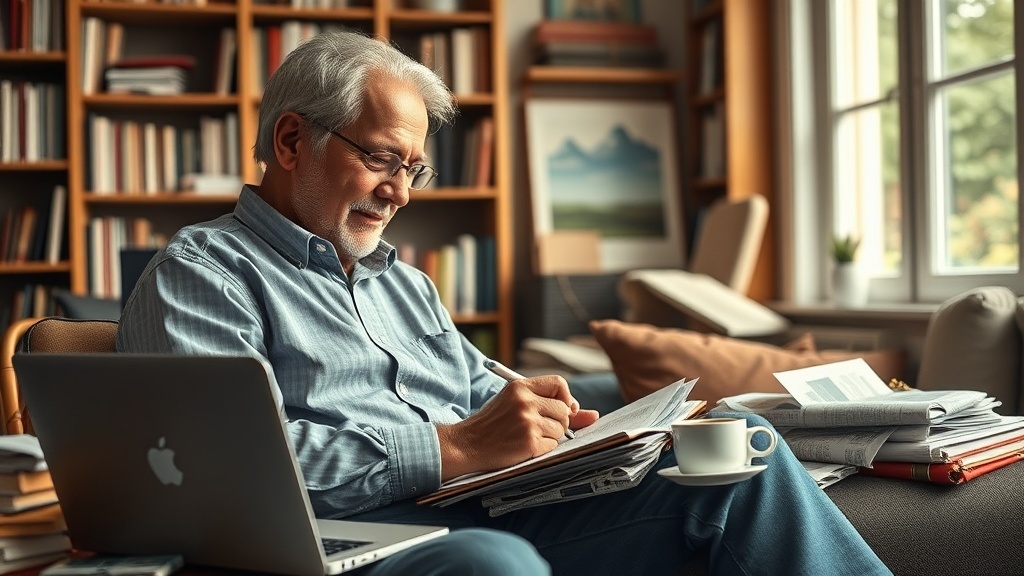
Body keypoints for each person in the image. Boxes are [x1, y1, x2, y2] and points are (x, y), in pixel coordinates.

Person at [117, 30, 892, 576]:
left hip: (486, 504)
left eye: (414, 171)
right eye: (384, 159)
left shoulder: (403, 283)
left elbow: (489, 396)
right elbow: (222, 479)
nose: (399, 193)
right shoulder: (205, 274)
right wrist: (453, 448)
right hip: (340, 543)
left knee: (734, 442)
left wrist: (575, 429)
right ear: (291, 142)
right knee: (494, 564)